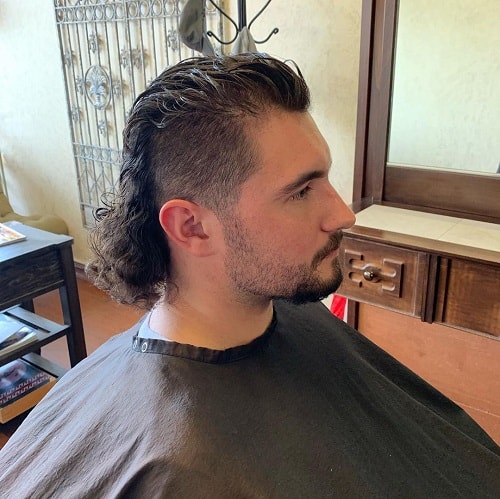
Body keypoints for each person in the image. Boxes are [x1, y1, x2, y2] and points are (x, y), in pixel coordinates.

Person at [0, 54, 498, 498]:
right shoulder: (178, 466)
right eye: (301, 192)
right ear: (192, 227)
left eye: (324, 177)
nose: (343, 214)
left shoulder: (292, 315)